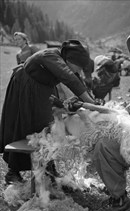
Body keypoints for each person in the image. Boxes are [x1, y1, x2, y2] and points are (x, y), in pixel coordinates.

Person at [0, 39, 96, 184]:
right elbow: (69, 78)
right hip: (25, 87)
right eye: (78, 67)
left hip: (42, 91)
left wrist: (89, 100)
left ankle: (47, 167)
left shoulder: (64, 61)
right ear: (69, 60)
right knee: (23, 126)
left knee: (48, 126)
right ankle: (13, 171)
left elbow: (76, 80)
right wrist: (91, 103)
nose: (79, 71)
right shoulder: (51, 55)